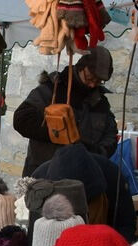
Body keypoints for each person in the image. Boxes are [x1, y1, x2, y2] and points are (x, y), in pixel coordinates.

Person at [13, 45, 118, 177]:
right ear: (81, 67)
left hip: (81, 178)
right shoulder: (52, 90)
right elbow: (21, 119)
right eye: (90, 78)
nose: (92, 85)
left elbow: (111, 136)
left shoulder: (100, 103)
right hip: (44, 176)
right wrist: (58, 133)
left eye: (98, 81)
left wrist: (96, 155)